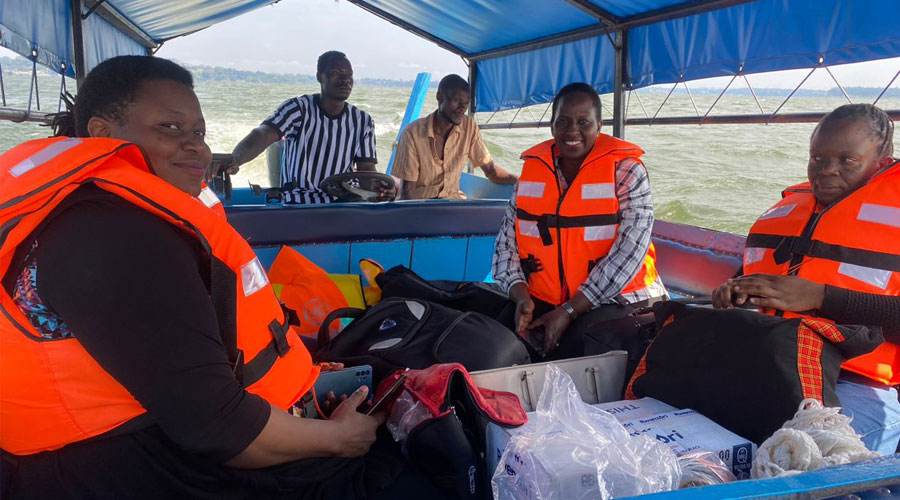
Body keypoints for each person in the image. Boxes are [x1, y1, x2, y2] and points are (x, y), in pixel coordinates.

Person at [0, 56, 433, 500]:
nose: (198, 149)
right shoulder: (108, 237)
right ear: (102, 134)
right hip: (110, 467)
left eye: (199, 133)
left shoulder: (109, 211)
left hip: (159, 431)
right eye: (170, 128)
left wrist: (301, 374)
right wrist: (340, 439)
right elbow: (217, 428)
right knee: (403, 471)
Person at [713, 103, 900, 455]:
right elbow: (754, 276)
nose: (826, 171)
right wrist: (735, 291)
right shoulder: (790, 210)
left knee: (793, 459)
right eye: (817, 159)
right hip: (772, 363)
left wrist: (821, 297)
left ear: (883, 160)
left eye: (847, 160)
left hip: (855, 382)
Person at [492, 82, 667, 360]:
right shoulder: (532, 174)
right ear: (552, 126)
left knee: (577, 349)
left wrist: (569, 311)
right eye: (563, 122)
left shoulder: (628, 172)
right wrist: (520, 295)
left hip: (620, 300)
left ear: (599, 125)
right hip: (548, 299)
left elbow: (628, 254)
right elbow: (505, 246)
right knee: (496, 340)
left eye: (583, 122)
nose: (572, 131)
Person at [221, 51, 390, 203]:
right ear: (319, 77)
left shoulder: (362, 121)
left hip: (343, 203)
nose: (345, 79)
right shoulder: (297, 109)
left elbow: (366, 170)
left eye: (349, 74)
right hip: (299, 203)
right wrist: (234, 160)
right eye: (336, 73)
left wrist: (379, 189)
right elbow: (263, 134)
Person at [393, 74, 517, 199]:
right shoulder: (412, 134)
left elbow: (491, 170)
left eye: (466, 103)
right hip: (421, 207)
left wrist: (520, 180)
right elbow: (407, 193)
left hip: (453, 203)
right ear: (440, 97)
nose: (462, 107)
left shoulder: (469, 127)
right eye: (457, 100)